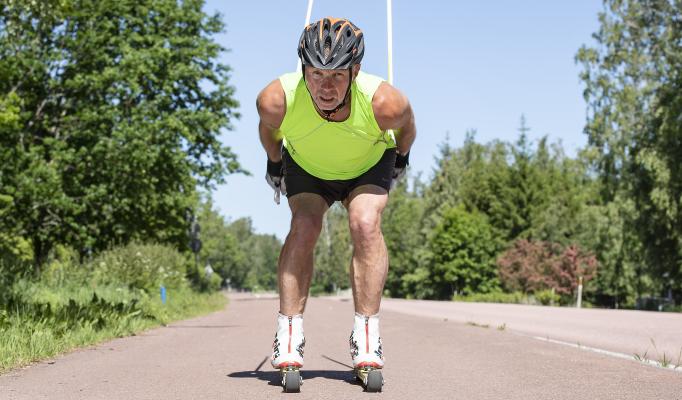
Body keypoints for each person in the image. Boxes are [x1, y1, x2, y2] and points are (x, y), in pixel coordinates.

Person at [256, 16, 416, 381]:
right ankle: (289, 334)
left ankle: (366, 338)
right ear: (303, 69)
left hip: (369, 163)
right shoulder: (275, 100)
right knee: (304, 224)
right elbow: (269, 132)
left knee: (365, 223)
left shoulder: (384, 103)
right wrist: (275, 163)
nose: (325, 87)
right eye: (316, 74)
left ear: (355, 71)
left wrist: (402, 159)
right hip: (309, 166)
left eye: (336, 76)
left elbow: (408, 127)